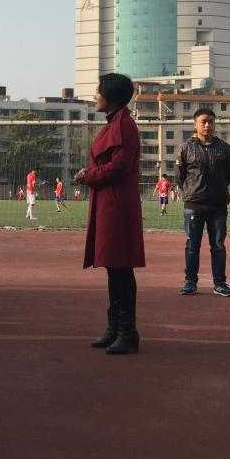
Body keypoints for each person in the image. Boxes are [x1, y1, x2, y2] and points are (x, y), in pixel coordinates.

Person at [77, 73, 143, 355]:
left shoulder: (124, 125)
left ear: (111, 96)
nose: (95, 95)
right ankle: (115, 327)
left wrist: (89, 175)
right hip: (109, 203)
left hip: (117, 205)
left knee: (120, 268)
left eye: (98, 90)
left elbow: (119, 166)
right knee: (114, 268)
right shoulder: (116, 123)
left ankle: (127, 331)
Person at [176, 108, 230, 297]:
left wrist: (218, 191)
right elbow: (180, 176)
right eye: (203, 121)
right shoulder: (185, 148)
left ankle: (220, 283)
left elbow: (228, 175)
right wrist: (192, 191)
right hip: (194, 204)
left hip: (218, 206)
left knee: (218, 246)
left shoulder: (225, 148)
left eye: (211, 121)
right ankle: (190, 282)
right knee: (192, 245)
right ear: (195, 124)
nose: (207, 125)